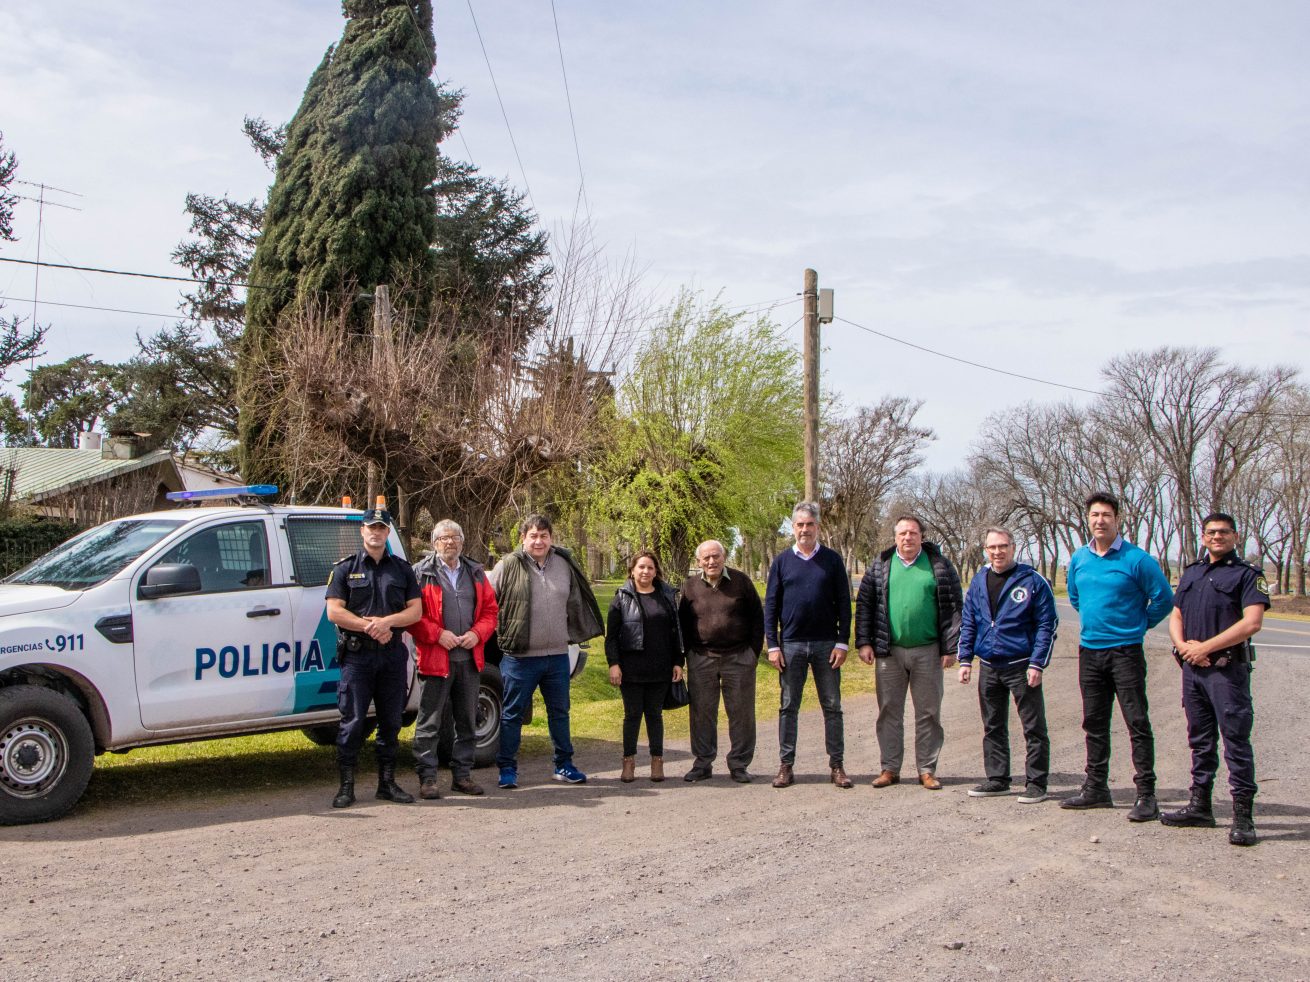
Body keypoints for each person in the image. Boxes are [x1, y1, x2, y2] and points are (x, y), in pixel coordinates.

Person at [1062, 492, 1174, 821]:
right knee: (1094, 723)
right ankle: (1096, 788)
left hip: (1126, 652)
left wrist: (1137, 626)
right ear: (1088, 518)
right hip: (1090, 652)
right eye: (1095, 515)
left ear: (1117, 519)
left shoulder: (1137, 560)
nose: (1100, 520)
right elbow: (1075, 597)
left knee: (1136, 722)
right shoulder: (1080, 558)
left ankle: (1146, 795)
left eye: (1106, 515)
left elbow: (1164, 600)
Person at [1163, 512, 1269, 846]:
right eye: (1210, 532)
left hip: (1226, 671)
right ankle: (1200, 806)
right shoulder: (1192, 572)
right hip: (1193, 671)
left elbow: (1252, 623)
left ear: (1236, 536)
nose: (1216, 537)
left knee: (1236, 742)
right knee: (1200, 740)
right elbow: (1176, 614)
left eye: (1223, 532)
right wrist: (1183, 648)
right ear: (1204, 536)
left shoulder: (1247, 575)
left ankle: (1243, 817)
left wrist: (1205, 647)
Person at [489, 514, 604, 789]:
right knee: (512, 715)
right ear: (523, 539)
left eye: (544, 535)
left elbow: (576, 602)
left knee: (560, 713)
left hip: (556, 657)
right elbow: (487, 604)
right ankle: (507, 769)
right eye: (533, 535)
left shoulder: (565, 564)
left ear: (551, 538)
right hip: (519, 658)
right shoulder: (507, 565)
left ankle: (564, 765)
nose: (538, 540)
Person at [324, 505, 422, 809]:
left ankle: (387, 783)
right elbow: (334, 611)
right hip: (358, 657)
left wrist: (387, 623)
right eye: (371, 528)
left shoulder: (402, 569)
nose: (376, 533)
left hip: (391, 655)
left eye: (381, 528)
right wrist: (370, 625)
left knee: (391, 721)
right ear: (362, 530)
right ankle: (346, 786)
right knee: (352, 722)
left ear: (388, 531)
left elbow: (416, 611)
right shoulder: (345, 568)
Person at [856, 515, 963, 790]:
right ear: (895, 538)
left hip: (928, 650)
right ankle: (889, 768)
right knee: (889, 710)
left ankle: (927, 769)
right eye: (902, 533)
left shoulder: (938, 565)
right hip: (889, 651)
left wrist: (951, 647)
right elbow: (866, 604)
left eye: (913, 533)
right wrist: (864, 642)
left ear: (921, 537)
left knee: (928, 711)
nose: (907, 538)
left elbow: (953, 607)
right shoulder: (881, 565)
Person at [956, 527, 1058, 804]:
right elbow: (969, 622)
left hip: (1022, 665)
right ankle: (998, 778)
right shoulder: (978, 582)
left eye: (1003, 546)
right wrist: (965, 659)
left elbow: (1047, 625)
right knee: (993, 725)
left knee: (1033, 726)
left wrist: (1038, 663)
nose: (998, 552)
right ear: (985, 550)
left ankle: (1036, 782)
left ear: (1013, 547)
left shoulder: (1032, 581)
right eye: (992, 548)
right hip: (989, 665)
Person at [763, 502, 853, 790]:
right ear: (793, 528)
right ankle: (786, 766)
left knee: (832, 706)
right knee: (789, 706)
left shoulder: (832, 560)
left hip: (827, 645)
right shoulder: (781, 562)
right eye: (800, 525)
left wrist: (842, 641)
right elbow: (771, 606)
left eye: (809, 524)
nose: (805, 529)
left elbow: (844, 603)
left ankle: (837, 765)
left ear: (818, 526)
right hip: (790, 645)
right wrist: (773, 645)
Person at [409, 519, 500, 799]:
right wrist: (437, 634)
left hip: (469, 659)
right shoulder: (420, 574)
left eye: (455, 538)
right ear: (434, 543)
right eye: (444, 538)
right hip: (436, 659)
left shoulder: (474, 572)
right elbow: (412, 616)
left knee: (467, 721)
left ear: (462, 542)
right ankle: (427, 779)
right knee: (430, 722)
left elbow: (490, 611)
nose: (450, 543)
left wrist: (478, 634)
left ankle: (462, 776)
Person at [678, 539, 765, 783]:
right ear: (699, 562)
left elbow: (758, 619)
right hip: (702, 659)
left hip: (738, 658)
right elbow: (682, 623)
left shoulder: (741, 582)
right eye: (706, 558)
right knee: (702, 713)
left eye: (715, 556)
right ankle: (703, 763)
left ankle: (739, 764)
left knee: (741, 713)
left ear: (723, 557)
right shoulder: (691, 587)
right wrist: (688, 655)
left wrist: (752, 654)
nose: (711, 561)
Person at [605, 551, 686, 782]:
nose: (645, 572)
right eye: (641, 567)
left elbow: (675, 633)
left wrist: (678, 662)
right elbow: (612, 637)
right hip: (630, 670)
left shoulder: (667, 596)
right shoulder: (622, 597)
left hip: (660, 669)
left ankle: (657, 762)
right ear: (632, 570)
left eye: (650, 568)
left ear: (656, 571)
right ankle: (628, 763)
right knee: (632, 716)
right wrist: (614, 664)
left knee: (654, 715)